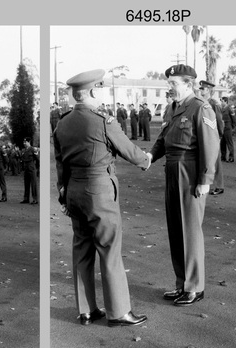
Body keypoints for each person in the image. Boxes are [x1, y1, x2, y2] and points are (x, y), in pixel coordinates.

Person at [54, 69, 150, 327]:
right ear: (94, 92)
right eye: (101, 89)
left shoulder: (62, 122)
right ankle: (118, 312)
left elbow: (60, 163)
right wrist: (146, 159)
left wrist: (63, 193)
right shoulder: (103, 121)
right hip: (99, 191)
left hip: (73, 190)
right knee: (109, 249)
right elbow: (130, 151)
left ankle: (86, 311)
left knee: (82, 250)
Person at [150, 64, 219, 306]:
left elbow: (210, 146)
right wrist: (150, 156)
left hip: (190, 172)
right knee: (176, 231)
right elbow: (163, 138)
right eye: (169, 84)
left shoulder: (200, 108)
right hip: (171, 170)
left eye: (173, 84)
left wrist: (205, 180)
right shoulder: (172, 108)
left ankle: (195, 287)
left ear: (188, 85)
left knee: (190, 232)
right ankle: (182, 284)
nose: (169, 88)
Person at [198, 80, 225, 196]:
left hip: (214, 137)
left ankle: (219, 186)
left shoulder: (214, 104)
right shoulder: (201, 102)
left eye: (202, 89)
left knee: (216, 161)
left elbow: (219, 121)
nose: (201, 90)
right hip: (206, 136)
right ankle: (209, 184)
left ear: (208, 90)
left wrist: (219, 136)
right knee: (208, 161)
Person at [20, 137, 39, 204]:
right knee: (26, 184)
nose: (24, 143)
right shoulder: (24, 150)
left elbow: (38, 159)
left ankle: (35, 199)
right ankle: (26, 199)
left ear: (29, 142)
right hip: (26, 169)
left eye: (25, 142)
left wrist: (37, 168)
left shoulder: (33, 149)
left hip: (32, 168)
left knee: (33, 184)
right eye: (23, 142)